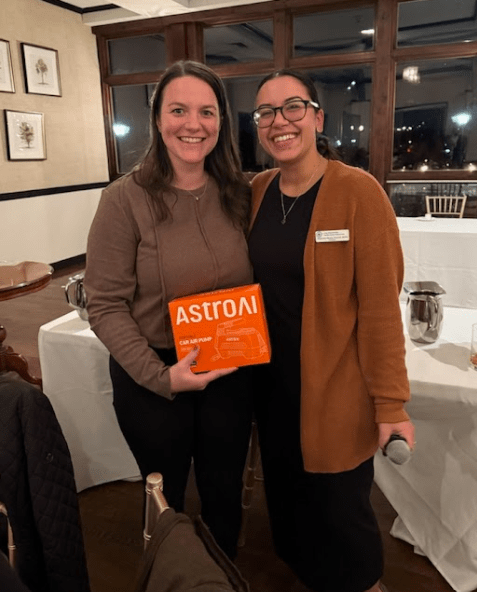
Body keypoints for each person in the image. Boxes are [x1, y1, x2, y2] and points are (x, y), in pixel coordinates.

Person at [247, 69, 415, 592]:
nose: (280, 121)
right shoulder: (257, 191)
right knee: (291, 506)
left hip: (335, 389)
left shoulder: (358, 192)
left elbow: (382, 311)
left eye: (293, 107)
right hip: (272, 389)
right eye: (266, 112)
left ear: (318, 118)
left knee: (342, 516)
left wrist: (391, 404)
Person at [84, 60, 253, 560]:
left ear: (221, 121)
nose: (193, 124)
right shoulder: (124, 199)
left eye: (206, 111)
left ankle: (222, 576)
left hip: (229, 365)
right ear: (157, 119)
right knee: (168, 499)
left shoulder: (241, 192)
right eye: (178, 110)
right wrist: (162, 377)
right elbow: (105, 304)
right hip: (154, 372)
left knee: (224, 491)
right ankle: (172, 575)